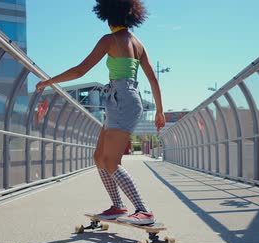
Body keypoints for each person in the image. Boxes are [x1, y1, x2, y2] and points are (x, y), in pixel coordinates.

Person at [36, 0, 165, 225]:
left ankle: (143, 210)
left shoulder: (110, 39)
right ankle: (117, 205)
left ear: (107, 16)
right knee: (99, 158)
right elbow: (153, 79)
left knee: (111, 161)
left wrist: (49, 81)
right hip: (123, 99)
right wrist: (159, 111)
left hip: (122, 100)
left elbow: (79, 70)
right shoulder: (138, 43)